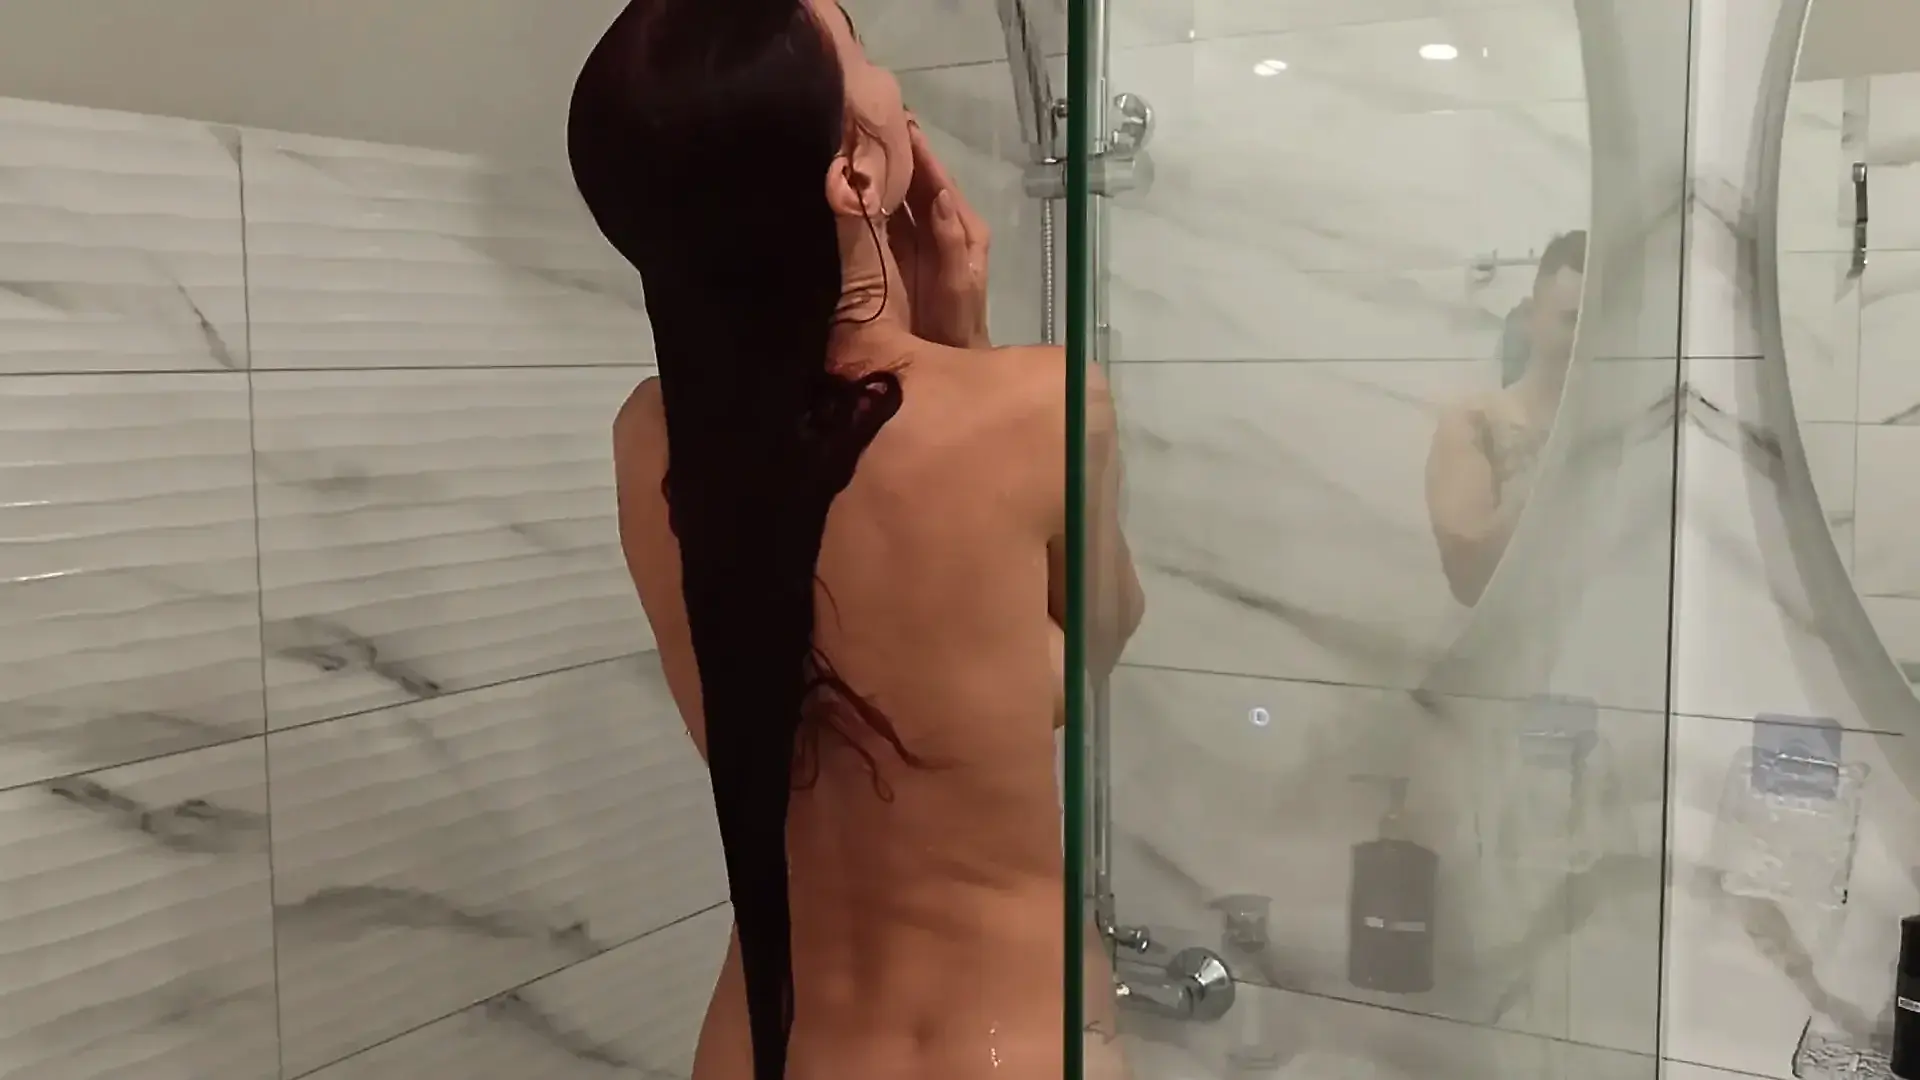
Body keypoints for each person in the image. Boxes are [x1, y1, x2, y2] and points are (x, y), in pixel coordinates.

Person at [567, 2, 1146, 1079]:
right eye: (862, 48)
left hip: (763, 1049)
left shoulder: (649, 442)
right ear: (855, 172)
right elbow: (1083, 659)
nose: (891, 78)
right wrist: (969, 351)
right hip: (994, 1050)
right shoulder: (1040, 407)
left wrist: (942, 352)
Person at [1425, 230, 1587, 606]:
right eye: (1572, 321)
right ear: (1532, 318)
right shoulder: (1475, 424)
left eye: (1600, 324)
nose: (1586, 340)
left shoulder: (1630, 431)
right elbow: (1469, 578)